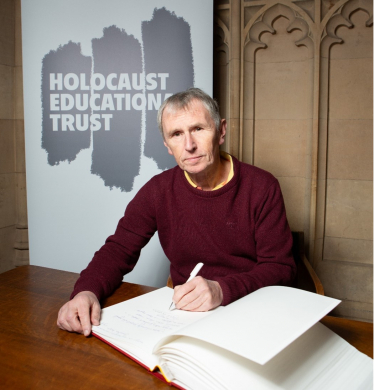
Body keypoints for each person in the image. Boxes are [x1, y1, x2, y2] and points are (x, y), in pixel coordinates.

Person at [57, 88, 296, 336]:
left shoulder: (262, 186)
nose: (189, 145)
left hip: (252, 311)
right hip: (185, 317)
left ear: (221, 131)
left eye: (198, 129)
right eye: (177, 134)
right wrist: (86, 291)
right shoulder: (158, 190)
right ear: (168, 145)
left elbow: (280, 268)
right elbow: (119, 249)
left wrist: (222, 289)